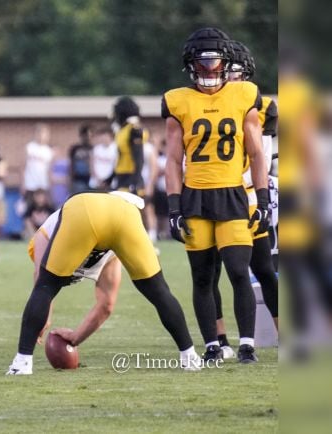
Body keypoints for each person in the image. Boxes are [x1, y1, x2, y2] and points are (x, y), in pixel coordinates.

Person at [163, 28, 269, 364]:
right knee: (203, 276)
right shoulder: (177, 100)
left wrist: (263, 199)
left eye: (214, 61)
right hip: (195, 197)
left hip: (232, 195)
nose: (209, 68)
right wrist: (173, 206)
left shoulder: (244, 95)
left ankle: (247, 344)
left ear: (225, 62)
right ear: (190, 64)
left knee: (239, 270)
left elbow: (255, 154)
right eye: (202, 61)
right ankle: (212, 344)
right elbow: (171, 160)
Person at [6, 192, 201, 375]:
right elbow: (106, 305)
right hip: (126, 215)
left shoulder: (46, 232)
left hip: (84, 209)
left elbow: (42, 282)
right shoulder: (109, 247)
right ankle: (190, 356)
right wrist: (75, 338)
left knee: (46, 286)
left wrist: (46, 318)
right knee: (158, 290)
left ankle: (22, 362)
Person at [209, 40, 279, 357]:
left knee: (263, 268)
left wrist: (265, 194)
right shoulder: (206, 101)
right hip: (213, 195)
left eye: (236, 71)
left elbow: (261, 155)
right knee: (210, 272)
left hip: (249, 195)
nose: (231, 77)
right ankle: (220, 339)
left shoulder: (259, 105)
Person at [112, 96, 145, 196]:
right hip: (121, 177)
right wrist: (110, 178)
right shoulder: (121, 130)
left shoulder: (133, 130)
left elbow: (139, 158)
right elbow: (120, 157)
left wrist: (135, 183)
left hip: (131, 178)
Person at [22, 123, 54, 203]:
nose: (41, 136)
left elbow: (50, 170)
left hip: (43, 186)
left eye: (44, 134)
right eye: (39, 133)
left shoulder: (49, 151)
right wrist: (22, 184)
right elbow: (22, 167)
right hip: (30, 185)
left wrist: (50, 186)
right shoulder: (29, 148)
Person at [88, 126, 117, 191]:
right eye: (102, 137)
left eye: (105, 137)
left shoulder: (116, 149)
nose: (103, 139)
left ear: (110, 137)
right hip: (96, 182)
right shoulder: (96, 149)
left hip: (110, 183)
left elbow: (116, 167)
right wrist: (97, 179)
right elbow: (91, 165)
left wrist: (107, 181)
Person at [68, 124, 93, 195]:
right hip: (78, 180)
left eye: (90, 135)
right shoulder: (75, 148)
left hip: (91, 180)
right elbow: (71, 164)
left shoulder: (94, 148)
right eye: (86, 135)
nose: (88, 138)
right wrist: (70, 179)